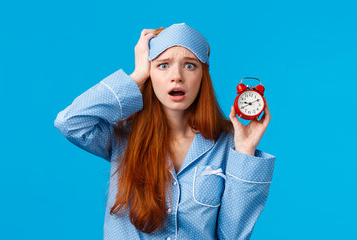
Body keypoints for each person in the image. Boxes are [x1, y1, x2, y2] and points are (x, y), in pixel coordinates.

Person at [53, 23, 275, 240]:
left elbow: (233, 236)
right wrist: (137, 74)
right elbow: (69, 122)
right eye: (163, 65)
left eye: (190, 65)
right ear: (150, 72)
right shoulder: (122, 135)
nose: (177, 76)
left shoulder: (227, 145)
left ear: (202, 76)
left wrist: (245, 150)